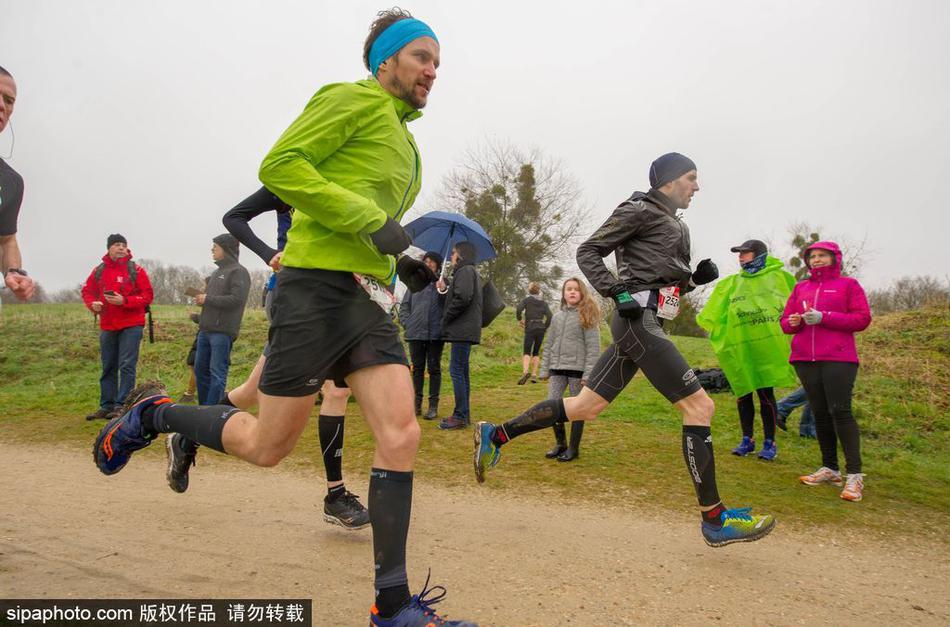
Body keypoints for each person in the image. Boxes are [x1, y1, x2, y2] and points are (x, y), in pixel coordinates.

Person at [92, 10, 475, 625]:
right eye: (422, 56)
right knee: (269, 445)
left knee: (401, 434)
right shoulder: (351, 99)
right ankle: (154, 414)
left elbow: (371, 220)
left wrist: (403, 257)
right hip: (313, 290)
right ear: (386, 61)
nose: (434, 69)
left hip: (368, 299)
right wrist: (368, 220)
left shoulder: (406, 139)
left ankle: (394, 605)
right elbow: (281, 166)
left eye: (437, 60)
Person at [473, 152, 776, 547]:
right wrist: (616, 291)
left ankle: (494, 435)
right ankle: (714, 518)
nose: (697, 187)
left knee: (584, 407)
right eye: (691, 177)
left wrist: (691, 281)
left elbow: (658, 277)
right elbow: (588, 251)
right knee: (700, 407)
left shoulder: (671, 221)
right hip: (638, 321)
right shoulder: (639, 208)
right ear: (668, 180)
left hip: (647, 321)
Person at [218, 185, 368, 530]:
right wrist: (270, 253)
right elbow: (234, 218)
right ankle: (188, 434)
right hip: (295, 295)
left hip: (333, 298)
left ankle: (335, 495)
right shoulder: (292, 179)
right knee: (260, 395)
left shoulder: (345, 180)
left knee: (258, 392)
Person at [781, 241, 871, 502]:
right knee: (819, 414)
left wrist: (825, 316)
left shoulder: (849, 285)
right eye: (812, 256)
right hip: (804, 359)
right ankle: (830, 469)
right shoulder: (801, 288)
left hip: (839, 359)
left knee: (840, 413)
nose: (816, 260)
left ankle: (855, 477)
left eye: (822, 255)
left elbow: (862, 319)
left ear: (835, 258)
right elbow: (785, 322)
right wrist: (794, 322)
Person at [696, 239, 798, 461]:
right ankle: (747, 439)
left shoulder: (780, 278)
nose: (741, 257)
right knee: (743, 394)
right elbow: (715, 315)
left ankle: (770, 443)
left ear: (759, 254)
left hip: (766, 350)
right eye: (739, 253)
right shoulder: (732, 284)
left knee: (765, 394)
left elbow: (795, 305)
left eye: (746, 253)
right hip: (741, 350)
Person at [81, 234, 154, 420]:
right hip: (108, 325)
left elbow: (148, 296)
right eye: (117, 245)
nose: (121, 248)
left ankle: (123, 406)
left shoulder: (136, 270)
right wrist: (93, 305)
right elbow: (87, 291)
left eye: (124, 245)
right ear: (109, 248)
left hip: (132, 325)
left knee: (127, 365)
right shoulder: (99, 270)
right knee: (108, 366)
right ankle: (107, 406)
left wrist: (125, 301)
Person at [538, 278, 601, 461]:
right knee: (552, 405)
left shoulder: (587, 315)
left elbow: (593, 347)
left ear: (582, 293)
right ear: (563, 293)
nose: (572, 292)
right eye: (568, 289)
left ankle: (573, 448)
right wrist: (544, 369)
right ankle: (560, 443)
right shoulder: (557, 317)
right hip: (557, 369)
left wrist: (588, 374)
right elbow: (549, 344)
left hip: (577, 371)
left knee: (577, 409)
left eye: (576, 289)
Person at [193, 233, 251, 406]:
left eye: (215, 247)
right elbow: (215, 300)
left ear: (225, 249)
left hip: (222, 332)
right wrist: (202, 302)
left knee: (217, 373)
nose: (212, 249)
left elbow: (237, 300)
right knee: (200, 370)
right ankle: (203, 410)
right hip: (205, 330)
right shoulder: (216, 272)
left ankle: (213, 413)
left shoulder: (239, 272)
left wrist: (208, 299)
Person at [438, 241, 483, 430]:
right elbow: (461, 294)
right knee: (462, 372)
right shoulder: (468, 271)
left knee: (456, 370)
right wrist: (444, 287)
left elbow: (463, 297)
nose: (451, 257)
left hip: (462, 329)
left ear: (461, 255)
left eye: (453, 253)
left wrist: (446, 318)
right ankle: (463, 414)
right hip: (466, 329)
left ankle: (460, 415)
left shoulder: (464, 271)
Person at [0, 66, 35, 303]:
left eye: (9, 100)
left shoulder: (11, 181)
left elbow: (6, 240)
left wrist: (14, 271)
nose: (3, 106)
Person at [398, 251, 445, 420]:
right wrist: (407, 323)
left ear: (438, 265)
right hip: (415, 333)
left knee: (434, 369)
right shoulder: (415, 284)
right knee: (417, 370)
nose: (429, 263)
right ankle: (416, 405)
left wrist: (444, 290)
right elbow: (404, 307)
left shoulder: (442, 284)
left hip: (435, 334)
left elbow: (448, 306)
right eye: (426, 261)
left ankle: (433, 406)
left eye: (432, 261)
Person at [515, 282, 552, 385]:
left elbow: (518, 309)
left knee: (527, 351)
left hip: (530, 327)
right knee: (536, 352)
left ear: (529, 290)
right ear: (538, 290)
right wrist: (545, 327)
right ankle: (534, 375)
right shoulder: (544, 303)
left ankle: (525, 372)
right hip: (540, 328)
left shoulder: (527, 301)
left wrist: (519, 319)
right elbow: (550, 316)